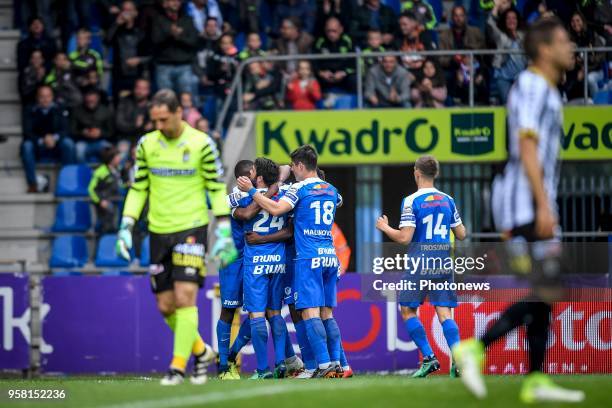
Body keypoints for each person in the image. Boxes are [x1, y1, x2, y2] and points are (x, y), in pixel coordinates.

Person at [453, 18, 586, 403]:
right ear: (544, 49)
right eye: (564, 40)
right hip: (525, 200)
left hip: (533, 197)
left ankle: (535, 379)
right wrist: (544, 205)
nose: (572, 47)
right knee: (548, 286)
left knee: (544, 291)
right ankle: (475, 348)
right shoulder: (530, 84)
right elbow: (526, 146)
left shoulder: (547, 89)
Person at [115, 89, 237, 385]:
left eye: (163, 119)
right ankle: (202, 351)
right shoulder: (146, 144)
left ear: (178, 113)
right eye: (154, 120)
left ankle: (177, 368)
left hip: (191, 228)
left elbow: (214, 186)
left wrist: (222, 228)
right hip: (158, 230)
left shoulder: (201, 144)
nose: (159, 126)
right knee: (165, 306)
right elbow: (139, 187)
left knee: (185, 298)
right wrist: (126, 224)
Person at [236, 145, 343, 378]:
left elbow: (276, 209)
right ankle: (338, 364)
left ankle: (323, 365)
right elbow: (337, 203)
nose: (292, 170)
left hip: (309, 256)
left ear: (301, 166)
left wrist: (253, 193)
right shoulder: (332, 189)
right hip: (329, 255)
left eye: (294, 166)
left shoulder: (298, 189)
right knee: (327, 313)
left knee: (309, 312)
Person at [376, 155, 466, 378]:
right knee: (445, 313)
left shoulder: (411, 200)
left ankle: (428, 357)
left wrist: (385, 227)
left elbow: (405, 238)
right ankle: (459, 362)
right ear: (436, 173)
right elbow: (462, 234)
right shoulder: (448, 199)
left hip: (420, 261)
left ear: (416, 172)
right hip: (443, 261)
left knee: (407, 310)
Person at [21, 85, 75, 193]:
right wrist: (42, 140)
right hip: (38, 145)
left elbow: (66, 130)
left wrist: (54, 138)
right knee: (26, 146)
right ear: (37, 97)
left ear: (52, 97)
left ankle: (67, 182)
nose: (45, 99)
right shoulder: (29, 109)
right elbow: (27, 132)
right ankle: (33, 184)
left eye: (48, 96)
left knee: (68, 143)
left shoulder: (60, 108)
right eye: (42, 96)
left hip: (56, 144)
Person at [152, 0, 200, 95]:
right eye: (172, 0)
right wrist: (170, 34)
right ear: (165, 3)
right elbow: (155, 41)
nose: (176, 2)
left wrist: (179, 36)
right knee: (165, 97)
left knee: (186, 97)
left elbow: (194, 41)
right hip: (164, 65)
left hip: (184, 65)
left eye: (178, 1)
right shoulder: (158, 20)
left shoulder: (187, 20)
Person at [105, 0, 149, 100]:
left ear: (136, 12)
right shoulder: (116, 30)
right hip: (119, 73)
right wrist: (116, 24)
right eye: (124, 10)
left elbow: (151, 55)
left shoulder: (142, 31)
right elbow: (107, 41)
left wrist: (138, 60)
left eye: (130, 10)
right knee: (119, 102)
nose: (127, 13)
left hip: (137, 74)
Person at [487, 6, 526, 104]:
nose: (511, 20)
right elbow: (490, 23)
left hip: (520, 77)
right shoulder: (500, 36)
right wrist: (496, 6)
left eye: (514, 18)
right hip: (503, 77)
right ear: (504, 21)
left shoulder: (524, 36)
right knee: (510, 103)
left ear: (517, 20)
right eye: (508, 18)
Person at [314, 17, 356, 94]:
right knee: (312, 81)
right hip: (325, 76)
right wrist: (321, 73)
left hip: (343, 75)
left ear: (341, 29)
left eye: (334, 31)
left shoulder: (348, 41)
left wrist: (344, 72)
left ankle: (355, 104)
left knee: (354, 79)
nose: (331, 34)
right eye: (328, 31)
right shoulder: (319, 42)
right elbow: (314, 62)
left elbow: (354, 63)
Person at [568, 11, 606, 97]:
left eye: (578, 20)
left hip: (596, 70)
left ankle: (596, 103)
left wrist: (586, 68)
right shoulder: (570, 38)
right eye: (573, 21)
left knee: (589, 79)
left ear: (583, 21)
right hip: (577, 70)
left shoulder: (592, 35)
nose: (575, 23)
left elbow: (600, 57)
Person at [71, 89, 114, 163]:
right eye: (89, 100)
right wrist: (83, 132)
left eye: (93, 100)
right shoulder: (77, 111)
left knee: (109, 150)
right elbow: (72, 131)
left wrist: (100, 133)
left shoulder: (106, 111)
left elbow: (112, 132)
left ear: (98, 98)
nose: (90, 102)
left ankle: (105, 173)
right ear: (85, 98)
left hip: (100, 141)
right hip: (83, 142)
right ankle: (83, 172)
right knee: (78, 149)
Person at [438, 5, 485, 70]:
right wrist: (452, 60)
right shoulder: (443, 35)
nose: (458, 19)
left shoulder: (475, 32)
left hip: (473, 66)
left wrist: (468, 56)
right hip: (452, 68)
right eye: (456, 16)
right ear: (452, 17)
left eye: (461, 15)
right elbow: (440, 59)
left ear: (465, 17)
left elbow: (483, 52)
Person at [88, 146, 123, 234]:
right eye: (117, 156)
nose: (120, 158)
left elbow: (119, 185)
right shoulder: (100, 172)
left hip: (116, 203)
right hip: (104, 207)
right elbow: (91, 189)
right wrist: (100, 201)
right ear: (111, 158)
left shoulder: (118, 170)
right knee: (104, 230)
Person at [395, 12, 436, 79]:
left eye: (405, 24)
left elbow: (432, 57)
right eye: (400, 25)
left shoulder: (425, 36)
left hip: (423, 74)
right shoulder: (398, 38)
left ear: (414, 23)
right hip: (405, 74)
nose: (402, 27)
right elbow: (397, 61)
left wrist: (418, 76)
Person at [115, 78, 153, 146]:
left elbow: (155, 126)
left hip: (146, 139)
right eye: (138, 87)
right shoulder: (124, 102)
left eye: (143, 89)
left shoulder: (153, 105)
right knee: (121, 154)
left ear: (148, 91)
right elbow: (119, 124)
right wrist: (134, 125)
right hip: (126, 138)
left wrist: (152, 125)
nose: (140, 91)